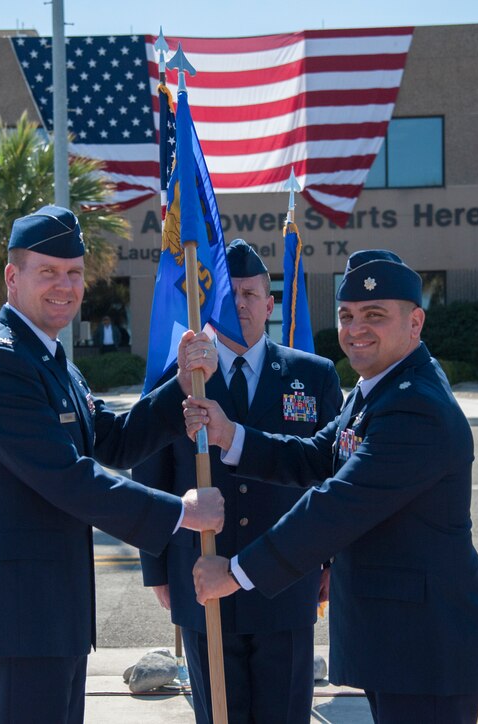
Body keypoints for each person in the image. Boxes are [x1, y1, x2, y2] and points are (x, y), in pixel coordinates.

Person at [186, 250, 478, 724]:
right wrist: (231, 436)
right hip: (399, 642)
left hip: (427, 650)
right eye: (347, 315)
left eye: (375, 315)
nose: (356, 329)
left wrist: (234, 573)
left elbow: (335, 507)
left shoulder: (416, 407)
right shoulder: (378, 388)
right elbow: (316, 456)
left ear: (415, 323)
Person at [0, 205, 225, 724]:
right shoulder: (0, 363)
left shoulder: (49, 358)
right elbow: (69, 479)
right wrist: (182, 513)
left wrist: (182, 385)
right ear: (12, 277)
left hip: (52, 609)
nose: (65, 286)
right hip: (22, 613)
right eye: (48, 271)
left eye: (73, 273)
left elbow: (112, 441)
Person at [135, 239, 343, 723]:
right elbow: (151, 475)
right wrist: (157, 569)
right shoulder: (180, 379)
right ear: (213, 305)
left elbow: (334, 478)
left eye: (252, 294)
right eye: (231, 296)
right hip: (201, 576)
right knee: (219, 715)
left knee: (284, 713)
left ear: (270, 305)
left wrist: (332, 561)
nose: (242, 305)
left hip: (286, 580)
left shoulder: (312, 376)